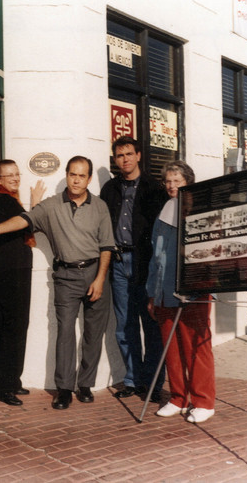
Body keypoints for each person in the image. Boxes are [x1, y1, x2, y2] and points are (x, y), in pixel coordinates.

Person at [0, 156, 114, 410]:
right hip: (66, 277)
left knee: (92, 334)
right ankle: (64, 389)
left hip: (96, 274)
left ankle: (85, 385)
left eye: (82, 175)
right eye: (72, 174)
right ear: (66, 175)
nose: (76, 180)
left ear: (88, 179)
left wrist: (100, 279)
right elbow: (25, 220)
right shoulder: (51, 206)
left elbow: (107, 245)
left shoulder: (100, 207)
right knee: (64, 333)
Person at [147, 160, 215, 423]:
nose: (171, 185)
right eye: (168, 181)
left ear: (188, 182)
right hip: (164, 290)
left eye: (177, 181)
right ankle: (178, 397)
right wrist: (152, 293)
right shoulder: (164, 211)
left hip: (192, 291)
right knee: (171, 348)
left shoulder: (199, 209)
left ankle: (204, 401)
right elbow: (156, 257)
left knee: (195, 345)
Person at [100, 136, 167, 402]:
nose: (125, 159)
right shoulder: (110, 188)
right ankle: (132, 379)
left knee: (150, 325)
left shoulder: (154, 188)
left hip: (146, 264)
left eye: (129, 154)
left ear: (139, 155)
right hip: (118, 263)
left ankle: (152, 383)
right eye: (119, 155)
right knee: (125, 325)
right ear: (115, 160)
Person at [0, 160, 46, 406]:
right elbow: (28, 222)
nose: (15, 178)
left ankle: (12, 381)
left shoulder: (9, 200)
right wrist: (36, 205)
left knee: (18, 325)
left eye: (17, 174)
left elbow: (24, 223)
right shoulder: (1, 201)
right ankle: (4, 387)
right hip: (8, 272)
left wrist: (32, 206)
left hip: (15, 270)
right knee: (13, 326)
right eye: (9, 175)